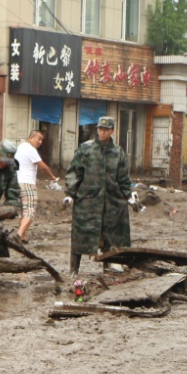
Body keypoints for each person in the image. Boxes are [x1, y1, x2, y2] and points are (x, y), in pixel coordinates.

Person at [65, 116, 133, 275]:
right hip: (87, 201)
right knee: (80, 235)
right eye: (100, 129)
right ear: (97, 130)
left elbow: (123, 178)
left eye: (106, 129)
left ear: (112, 131)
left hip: (111, 202)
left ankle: (107, 268)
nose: (102, 132)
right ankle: (73, 270)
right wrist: (70, 193)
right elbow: (75, 172)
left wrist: (128, 196)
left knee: (110, 236)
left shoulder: (118, 153)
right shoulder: (86, 149)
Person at [14, 129, 60, 243]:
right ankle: (19, 235)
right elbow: (42, 166)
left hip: (17, 183)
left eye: (41, 140)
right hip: (27, 184)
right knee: (30, 211)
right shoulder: (30, 149)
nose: (40, 142)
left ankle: (23, 236)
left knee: (22, 211)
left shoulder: (19, 148)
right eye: (38, 139)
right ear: (31, 138)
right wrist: (52, 176)